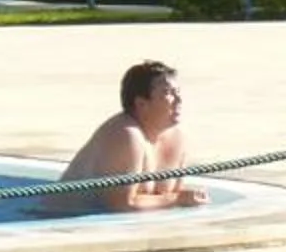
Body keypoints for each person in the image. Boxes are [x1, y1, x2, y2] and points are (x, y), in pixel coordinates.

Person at [48, 62, 208, 213]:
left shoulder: (177, 138)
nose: (179, 100)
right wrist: (177, 199)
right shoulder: (125, 135)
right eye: (167, 93)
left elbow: (167, 196)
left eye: (177, 92)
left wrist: (185, 197)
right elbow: (122, 204)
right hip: (58, 219)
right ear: (141, 104)